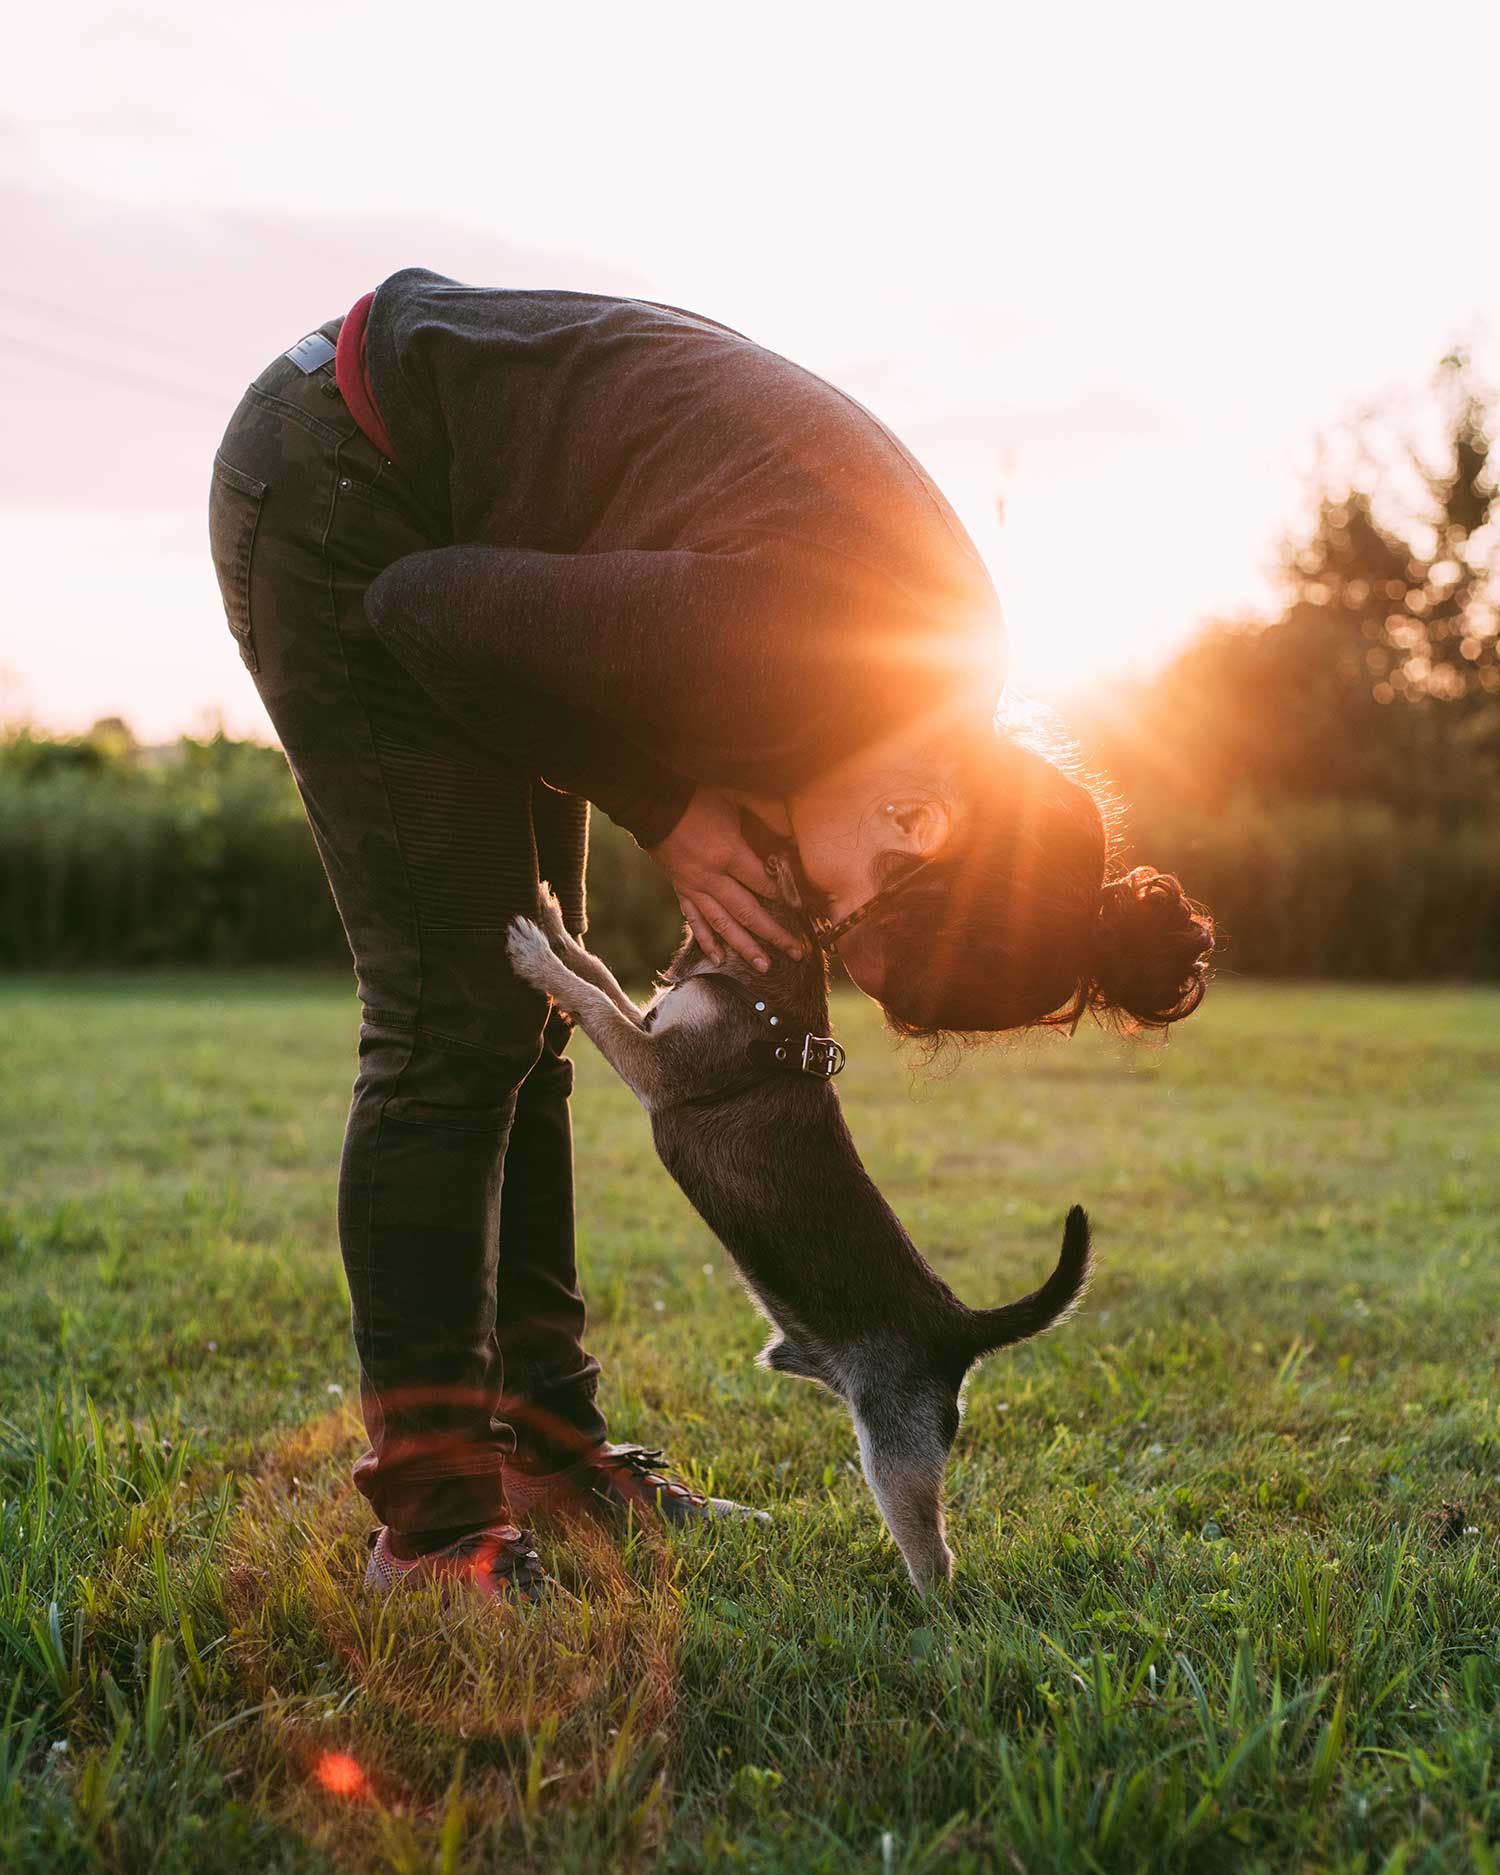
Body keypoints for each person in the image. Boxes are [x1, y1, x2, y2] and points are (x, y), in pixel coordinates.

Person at [208, 269, 1214, 1602]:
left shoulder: (921, 685)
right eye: (843, 910)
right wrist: (665, 806)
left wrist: (681, 797)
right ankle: (436, 1534)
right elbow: (418, 610)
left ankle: (552, 1461)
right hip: (348, 477)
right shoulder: (803, 647)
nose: (805, 912)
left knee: (523, 1019)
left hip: (441, 506)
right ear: (920, 822)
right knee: (454, 1011)